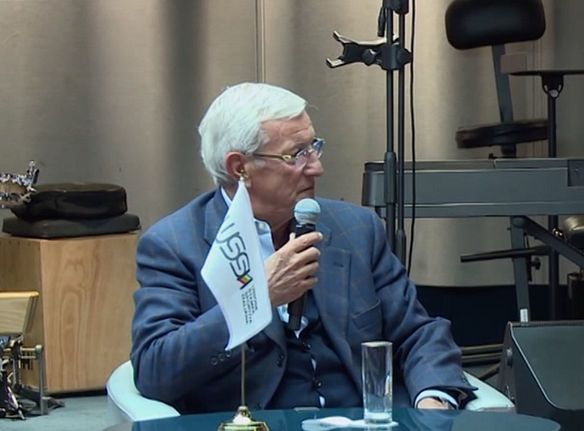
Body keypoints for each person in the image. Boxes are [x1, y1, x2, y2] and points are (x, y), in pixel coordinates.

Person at [130, 82, 476, 414]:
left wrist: (433, 404)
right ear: (240, 168)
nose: (317, 167)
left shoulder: (356, 229)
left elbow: (418, 332)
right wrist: (257, 298)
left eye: (314, 147)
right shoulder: (175, 245)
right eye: (296, 154)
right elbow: (156, 369)